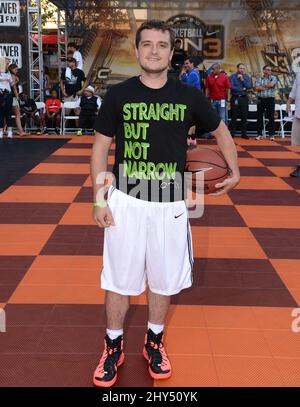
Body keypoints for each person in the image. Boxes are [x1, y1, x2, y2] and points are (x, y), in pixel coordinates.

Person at [90, 19, 240, 388]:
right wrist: (98, 198)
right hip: (125, 201)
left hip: (169, 204)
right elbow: (100, 147)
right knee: (119, 281)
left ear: (171, 53)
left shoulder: (189, 96)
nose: (154, 51)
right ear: (137, 50)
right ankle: (113, 345)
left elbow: (220, 130)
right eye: (147, 44)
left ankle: (153, 341)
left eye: (161, 45)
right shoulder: (119, 95)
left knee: (163, 278)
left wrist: (234, 171)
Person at [180, 56, 201, 146]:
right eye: (185, 64)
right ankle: (192, 138)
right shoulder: (190, 73)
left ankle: (189, 138)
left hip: (193, 100)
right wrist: (183, 73)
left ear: (192, 64)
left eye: (187, 63)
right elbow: (182, 82)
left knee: (190, 119)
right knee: (192, 119)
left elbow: (185, 86)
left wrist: (183, 74)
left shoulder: (193, 74)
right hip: (192, 99)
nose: (185, 65)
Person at [229, 63, 252, 139]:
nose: (242, 70)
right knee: (234, 115)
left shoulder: (246, 77)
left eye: (243, 68)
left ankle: (244, 133)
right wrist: (242, 89)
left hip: (244, 98)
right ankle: (232, 133)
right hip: (235, 97)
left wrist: (242, 80)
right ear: (237, 68)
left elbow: (248, 86)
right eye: (240, 68)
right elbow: (232, 87)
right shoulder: (232, 77)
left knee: (244, 116)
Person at [255, 65, 278, 140]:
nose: (269, 71)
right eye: (267, 70)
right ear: (263, 70)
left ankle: (271, 135)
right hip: (260, 99)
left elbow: (271, 84)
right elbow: (257, 88)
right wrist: (267, 86)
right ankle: (259, 134)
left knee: (271, 117)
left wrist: (262, 87)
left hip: (270, 99)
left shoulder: (273, 78)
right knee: (259, 117)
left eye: (270, 70)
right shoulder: (259, 78)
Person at [287, 72, 300, 177]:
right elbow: (294, 89)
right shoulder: (299, 73)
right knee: (297, 141)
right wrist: (288, 102)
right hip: (298, 112)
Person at [8, 64, 27, 137]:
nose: (17, 71)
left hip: (9, 97)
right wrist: (17, 98)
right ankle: (21, 131)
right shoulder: (13, 76)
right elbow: (13, 87)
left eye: (17, 69)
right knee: (17, 114)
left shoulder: (9, 75)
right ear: (11, 69)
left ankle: (5, 130)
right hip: (13, 97)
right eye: (15, 69)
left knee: (7, 114)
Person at [0, 57, 16, 139]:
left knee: (8, 113)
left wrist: (15, 81)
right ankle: (1, 132)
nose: (7, 64)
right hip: (0, 94)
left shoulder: (8, 73)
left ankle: (10, 132)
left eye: (7, 63)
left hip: (8, 94)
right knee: (1, 113)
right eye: (6, 63)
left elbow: (12, 83)